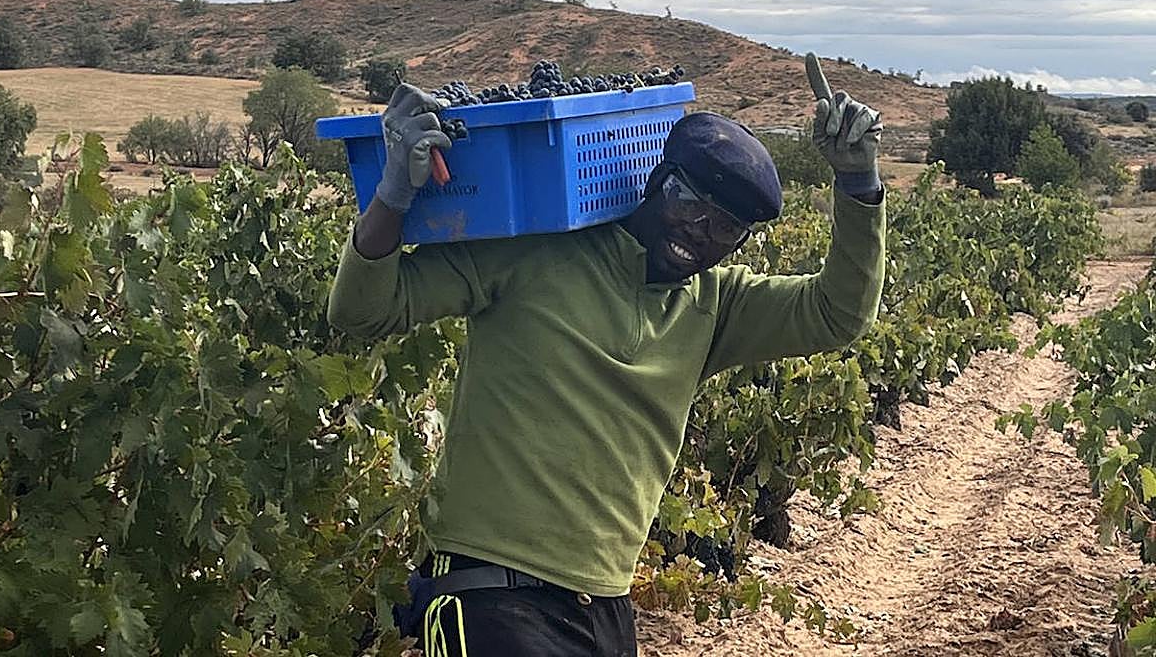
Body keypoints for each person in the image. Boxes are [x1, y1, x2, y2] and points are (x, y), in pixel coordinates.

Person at [327, 53, 886, 657]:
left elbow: (838, 313)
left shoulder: (716, 307)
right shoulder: (535, 251)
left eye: (724, 229)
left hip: (607, 608)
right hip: (487, 594)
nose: (699, 232)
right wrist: (391, 194)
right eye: (687, 202)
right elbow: (361, 310)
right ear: (655, 178)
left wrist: (858, 185)